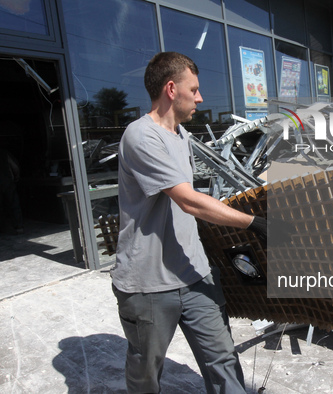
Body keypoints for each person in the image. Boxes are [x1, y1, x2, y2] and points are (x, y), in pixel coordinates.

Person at [111, 52, 266, 393]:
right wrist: (255, 224)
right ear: (171, 89)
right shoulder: (140, 136)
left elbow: (184, 209)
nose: (199, 98)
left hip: (194, 275)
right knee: (146, 374)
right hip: (148, 284)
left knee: (223, 362)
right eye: (193, 89)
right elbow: (188, 200)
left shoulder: (182, 137)